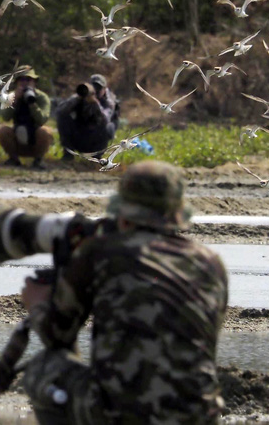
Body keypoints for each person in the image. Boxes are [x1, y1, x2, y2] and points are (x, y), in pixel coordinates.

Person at [20, 160, 229, 424]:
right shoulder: (211, 264)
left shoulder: (101, 252)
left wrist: (37, 303)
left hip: (118, 415)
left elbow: (57, 334)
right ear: (176, 213)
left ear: (123, 211)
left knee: (43, 370)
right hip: (199, 416)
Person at [0, 65, 53, 170]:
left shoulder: (42, 97)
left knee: (45, 131)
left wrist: (32, 103)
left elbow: (42, 119)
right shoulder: (11, 97)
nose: (25, 82)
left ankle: (38, 160)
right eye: (21, 80)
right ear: (16, 82)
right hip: (17, 137)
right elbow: (5, 117)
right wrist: (15, 100)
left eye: (28, 79)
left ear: (34, 82)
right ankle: (13, 159)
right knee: (3, 131)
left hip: (36, 138)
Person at [56, 73, 119, 160]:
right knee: (64, 118)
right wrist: (78, 98)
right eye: (93, 87)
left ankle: (96, 156)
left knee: (109, 127)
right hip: (80, 136)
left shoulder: (109, 101)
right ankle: (68, 153)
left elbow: (106, 119)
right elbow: (60, 111)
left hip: (95, 140)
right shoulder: (81, 96)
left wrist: (96, 104)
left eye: (99, 88)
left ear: (105, 89)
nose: (96, 91)